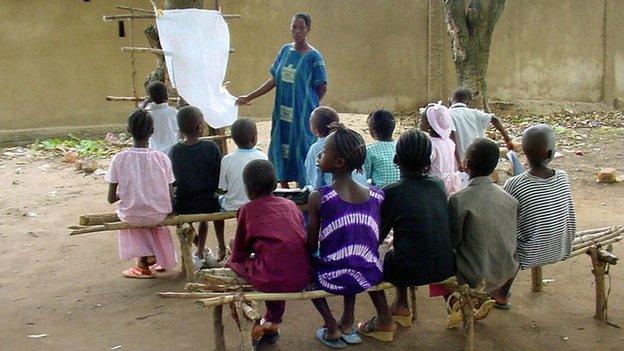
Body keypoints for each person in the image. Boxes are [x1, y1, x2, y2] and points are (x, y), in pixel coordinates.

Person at [359, 129, 455, 334]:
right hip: (446, 266)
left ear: (396, 159)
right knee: (401, 247)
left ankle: (383, 321)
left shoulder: (392, 192)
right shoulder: (438, 185)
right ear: (428, 162)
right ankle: (401, 305)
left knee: (365, 259)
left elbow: (375, 238)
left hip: (410, 269)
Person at [306, 123, 384, 348]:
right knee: (352, 253)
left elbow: (311, 245)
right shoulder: (376, 195)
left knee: (304, 269)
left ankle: (331, 326)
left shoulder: (320, 197)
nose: (320, 154)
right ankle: (348, 322)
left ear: (338, 162)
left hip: (333, 275)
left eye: (325, 151)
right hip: (367, 273)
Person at [236, 13, 327, 188]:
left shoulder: (314, 57)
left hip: (302, 115)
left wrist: (310, 106)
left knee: (302, 149)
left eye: (301, 27)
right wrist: (249, 96)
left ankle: (304, 190)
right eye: (294, 27)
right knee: (281, 146)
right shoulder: (285, 51)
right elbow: (274, 80)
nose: (297, 31)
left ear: (308, 30)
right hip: (282, 112)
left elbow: (322, 86)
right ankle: (285, 190)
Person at [226, 159, 311, 346]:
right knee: (275, 259)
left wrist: (232, 256)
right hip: (302, 273)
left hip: (274, 275)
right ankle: (272, 322)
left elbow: (240, 252)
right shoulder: (290, 206)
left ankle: (255, 323)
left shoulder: (247, 210)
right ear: (275, 184)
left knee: (237, 265)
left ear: (247, 189)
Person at [501, 124, 576, 307]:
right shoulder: (563, 177)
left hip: (528, 253)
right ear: (550, 153)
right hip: (562, 245)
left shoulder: (514, 184)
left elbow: (505, 221)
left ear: (524, 153)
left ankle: (501, 293)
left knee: (504, 234)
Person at [449, 138, 519, 319]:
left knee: (439, 261)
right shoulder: (509, 198)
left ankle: (455, 305)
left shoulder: (459, 199)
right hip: (506, 269)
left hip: (477, 275)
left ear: (466, 164)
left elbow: (454, 241)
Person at [105, 109, 177, 278]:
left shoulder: (120, 158)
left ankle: (142, 263)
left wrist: (129, 195)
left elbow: (110, 198)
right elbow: (169, 193)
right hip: (158, 213)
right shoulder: (161, 158)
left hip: (132, 214)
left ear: (128, 130)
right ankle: (155, 255)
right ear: (152, 131)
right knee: (148, 210)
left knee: (134, 211)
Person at [169, 106, 225, 267]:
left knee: (183, 221)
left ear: (180, 129)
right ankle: (219, 246)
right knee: (215, 210)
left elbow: (173, 180)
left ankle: (200, 250)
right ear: (200, 127)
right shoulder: (211, 147)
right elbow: (218, 175)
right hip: (208, 202)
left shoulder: (175, 151)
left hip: (184, 203)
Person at [448, 87, 514, 168]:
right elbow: (495, 120)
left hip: (457, 162)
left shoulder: (447, 114)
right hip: (478, 159)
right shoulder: (475, 113)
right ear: (468, 102)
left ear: (450, 100)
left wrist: (458, 161)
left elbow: (452, 137)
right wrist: (507, 140)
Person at [304, 106, 367, 188]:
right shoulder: (349, 141)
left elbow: (314, 181)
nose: (320, 155)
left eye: (324, 152)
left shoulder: (315, 148)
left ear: (316, 130)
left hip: (334, 191)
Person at [218, 118, 268, 211]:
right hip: (257, 204)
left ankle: (220, 226)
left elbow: (223, 188)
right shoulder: (262, 157)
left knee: (220, 201)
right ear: (254, 138)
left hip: (232, 207)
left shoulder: (226, 160)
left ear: (233, 139)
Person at [420, 103, 460, 194]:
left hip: (433, 186)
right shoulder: (450, 142)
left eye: (422, 120)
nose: (420, 121)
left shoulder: (430, 144)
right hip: (448, 185)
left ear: (430, 125)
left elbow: (425, 166)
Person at [363, 109, 400, 188]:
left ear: (373, 131)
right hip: (401, 191)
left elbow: (365, 176)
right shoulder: (400, 146)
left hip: (381, 194)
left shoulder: (369, 150)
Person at [143, 81, 178, 154]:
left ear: (150, 97)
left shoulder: (147, 115)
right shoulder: (174, 112)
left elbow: (137, 115)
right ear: (166, 95)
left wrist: (144, 104)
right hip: (173, 152)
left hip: (154, 153)